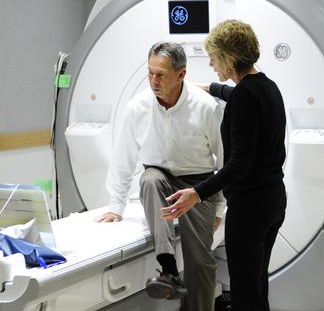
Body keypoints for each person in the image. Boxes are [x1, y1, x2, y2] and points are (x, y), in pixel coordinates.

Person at [162, 20, 287, 311]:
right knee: (257, 285)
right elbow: (240, 98)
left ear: (229, 57)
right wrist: (211, 88)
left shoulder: (245, 96)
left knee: (244, 292)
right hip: (273, 201)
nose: (210, 62)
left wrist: (197, 193)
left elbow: (238, 165)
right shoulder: (267, 87)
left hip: (250, 207)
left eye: (214, 57)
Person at [96, 41, 225, 311]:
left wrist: (220, 209)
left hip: (200, 185)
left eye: (161, 74)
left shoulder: (206, 107)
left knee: (200, 261)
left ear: (181, 74)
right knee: (149, 178)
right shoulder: (137, 107)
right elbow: (124, 157)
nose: (153, 80)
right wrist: (116, 206)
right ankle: (168, 270)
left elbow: (224, 160)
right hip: (161, 180)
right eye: (150, 72)